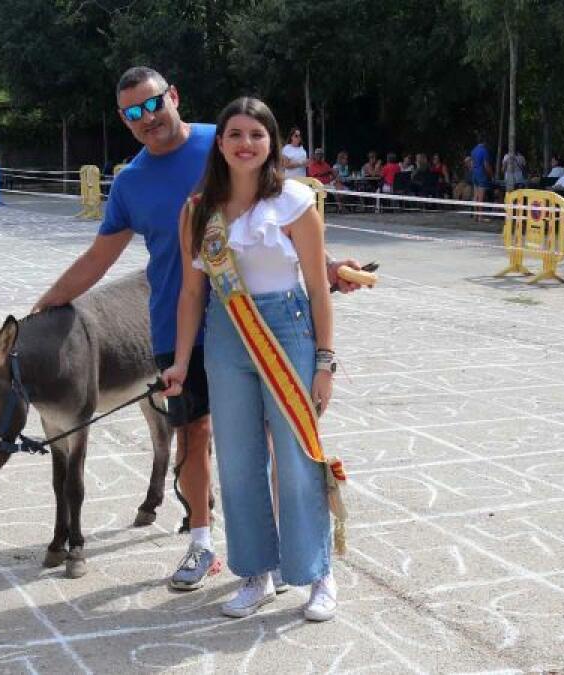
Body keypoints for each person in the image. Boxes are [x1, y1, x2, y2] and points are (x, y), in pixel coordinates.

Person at [33, 66, 363, 594]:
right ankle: (202, 540)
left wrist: (322, 267)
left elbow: (279, 208)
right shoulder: (132, 182)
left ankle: (289, 556)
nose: (148, 118)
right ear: (123, 120)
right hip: (177, 322)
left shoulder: (229, 138)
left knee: (280, 446)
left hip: (255, 319)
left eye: (153, 104)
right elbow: (100, 256)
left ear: (174, 97)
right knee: (197, 438)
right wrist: (46, 303)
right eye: (133, 112)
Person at [161, 96, 339, 621]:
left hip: (287, 330)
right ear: (220, 143)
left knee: (297, 456)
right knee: (238, 460)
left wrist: (324, 363)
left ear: (273, 143)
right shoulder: (199, 210)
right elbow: (192, 295)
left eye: (257, 135)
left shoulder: (295, 202)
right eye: (235, 134)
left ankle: (317, 574)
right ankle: (256, 573)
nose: (246, 144)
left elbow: (319, 289)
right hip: (225, 336)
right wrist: (180, 361)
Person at [469, 136, 493, 220]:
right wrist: (490, 174)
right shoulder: (484, 151)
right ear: (485, 142)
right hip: (481, 174)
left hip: (474, 174)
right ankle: (480, 216)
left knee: (475, 196)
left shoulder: (473, 150)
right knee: (481, 196)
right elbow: (486, 165)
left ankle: (475, 215)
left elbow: (471, 165)